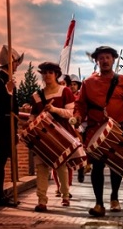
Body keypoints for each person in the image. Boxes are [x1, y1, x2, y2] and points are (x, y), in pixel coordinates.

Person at [73, 46, 123, 217]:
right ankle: (99, 203)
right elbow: (80, 105)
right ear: (96, 61)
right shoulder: (88, 83)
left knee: (116, 166)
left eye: (108, 57)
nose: (104, 60)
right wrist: (77, 116)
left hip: (118, 129)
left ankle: (114, 197)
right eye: (101, 58)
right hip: (95, 129)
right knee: (97, 167)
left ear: (113, 59)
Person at [29, 62, 76, 212]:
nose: (47, 75)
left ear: (56, 74)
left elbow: (70, 113)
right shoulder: (36, 96)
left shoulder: (65, 91)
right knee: (41, 167)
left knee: (61, 166)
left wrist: (54, 109)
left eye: (50, 72)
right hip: (42, 136)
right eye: (44, 72)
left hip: (60, 134)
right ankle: (42, 201)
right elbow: (32, 116)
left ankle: (65, 195)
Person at [0, 45, 24, 206]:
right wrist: (7, 92)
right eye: (16, 62)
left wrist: (16, 126)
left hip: (10, 123)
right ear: (9, 63)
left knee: (8, 158)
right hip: (1, 123)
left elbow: (14, 108)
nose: (17, 66)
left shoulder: (9, 81)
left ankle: (4, 193)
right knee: (1, 159)